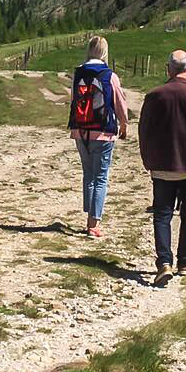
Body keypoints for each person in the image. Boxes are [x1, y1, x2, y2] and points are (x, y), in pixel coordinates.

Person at [137, 49, 186, 283]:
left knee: (162, 214)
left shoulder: (154, 96)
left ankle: (164, 263)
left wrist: (147, 159)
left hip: (162, 165)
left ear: (168, 69)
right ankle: (185, 261)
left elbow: (144, 131)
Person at [68, 34, 129, 238]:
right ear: (104, 52)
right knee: (100, 177)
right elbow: (120, 102)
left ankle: (89, 215)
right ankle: (93, 223)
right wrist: (124, 123)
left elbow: (73, 100)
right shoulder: (109, 75)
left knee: (88, 173)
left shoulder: (78, 73)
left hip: (80, 130)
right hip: (103, 131)